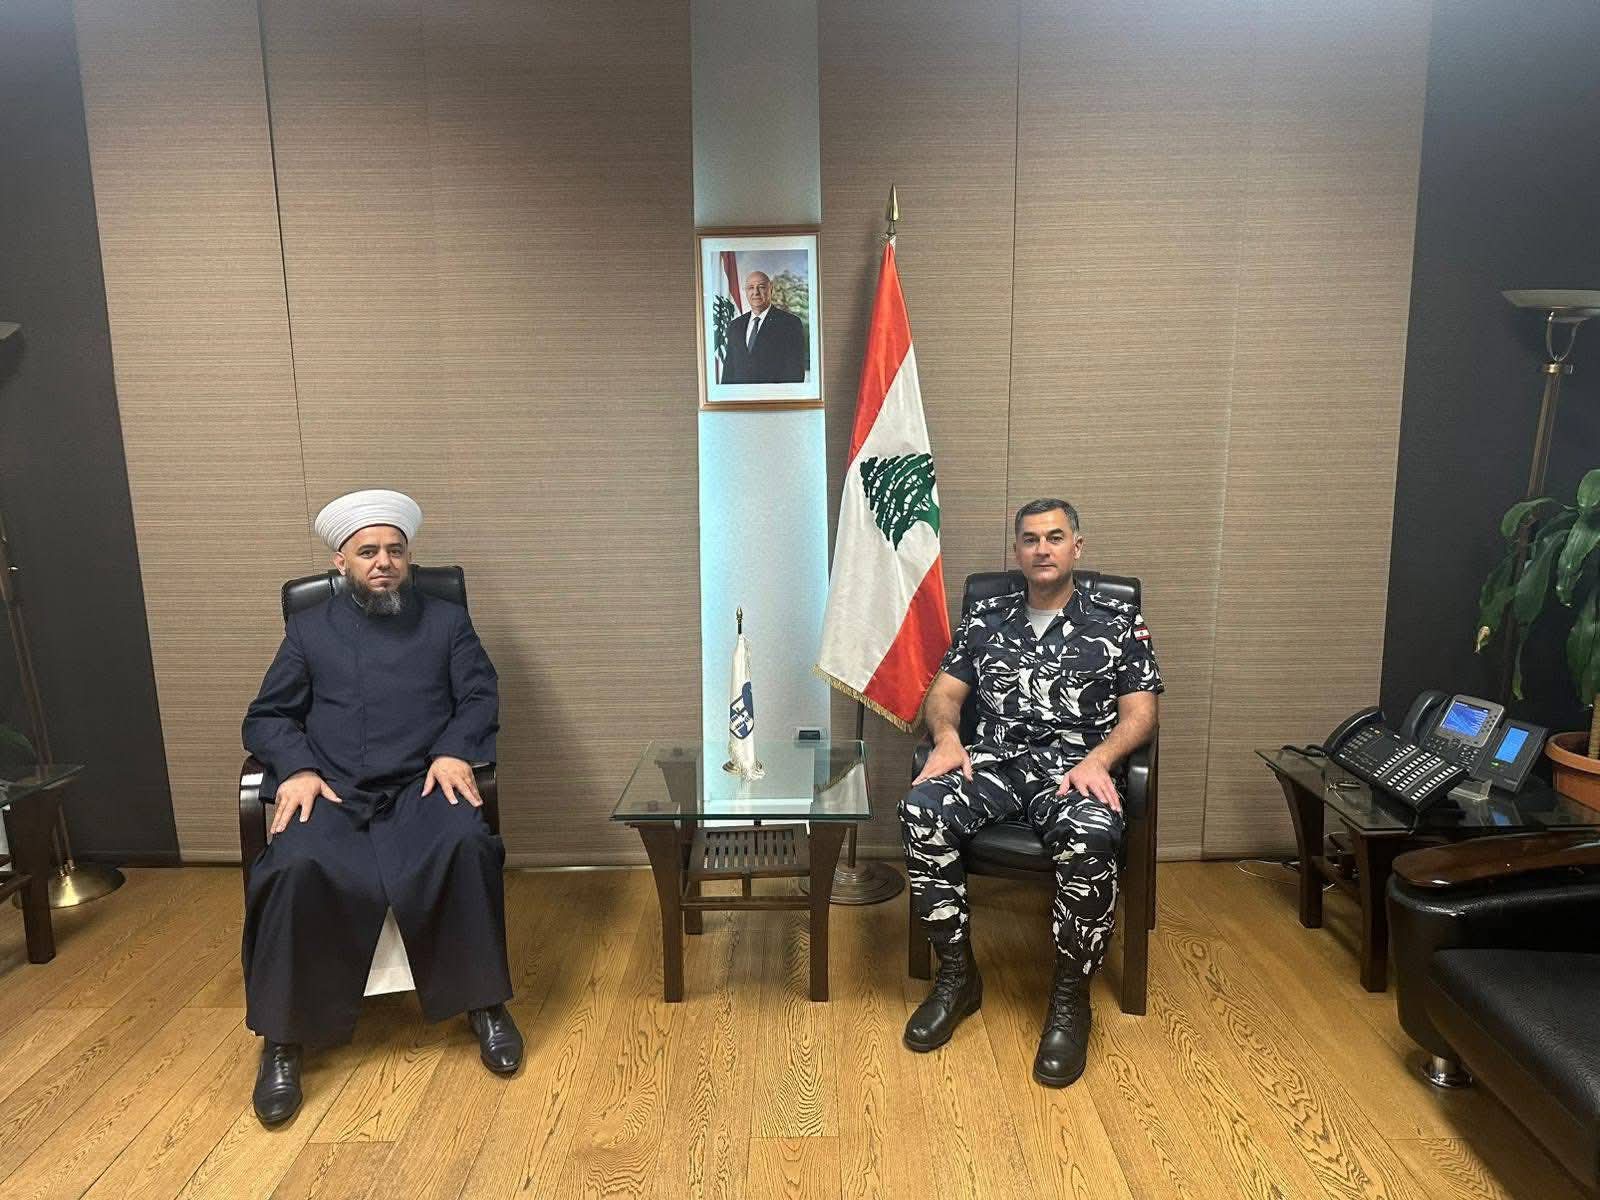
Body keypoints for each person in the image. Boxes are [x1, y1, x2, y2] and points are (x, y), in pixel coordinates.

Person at [241, 488, 522, 1126]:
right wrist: (300, 769)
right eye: (368, 552)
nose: (384, 562)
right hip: (335, 793)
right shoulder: (309, 630)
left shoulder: (446, 623)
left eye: (395, 550)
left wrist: (454, 751)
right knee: (292, 867)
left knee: (465, 843)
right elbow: (267, 716)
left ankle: (486, 1005)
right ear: (341, 562)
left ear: (409, 558)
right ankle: (283, 1040)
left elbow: (480, 696)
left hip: (421, 787)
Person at [899, 498, 1161, 1087]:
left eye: (1055, 537)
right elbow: (944, 697)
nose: (1043, 549)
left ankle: (1070, 1000)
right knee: (921, 810)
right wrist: (947, 738)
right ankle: (957, 977)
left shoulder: (1118, 622)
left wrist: (1101, 759)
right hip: (994, 763)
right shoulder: (986, 616)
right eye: (1031, 539)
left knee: (1093, 833)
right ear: (1017, 551)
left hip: (1074, 769)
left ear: (1076, 547)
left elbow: (1142, 715)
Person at [720, 270, 808, 383]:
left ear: (770, 289)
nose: (755, 292)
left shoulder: (790, 323)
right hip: (740, 394)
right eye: (751, 288)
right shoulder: (735, 325)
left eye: (761, 287)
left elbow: (795, 373)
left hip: (774, 393)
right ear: (745, 291)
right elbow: (728, 371)